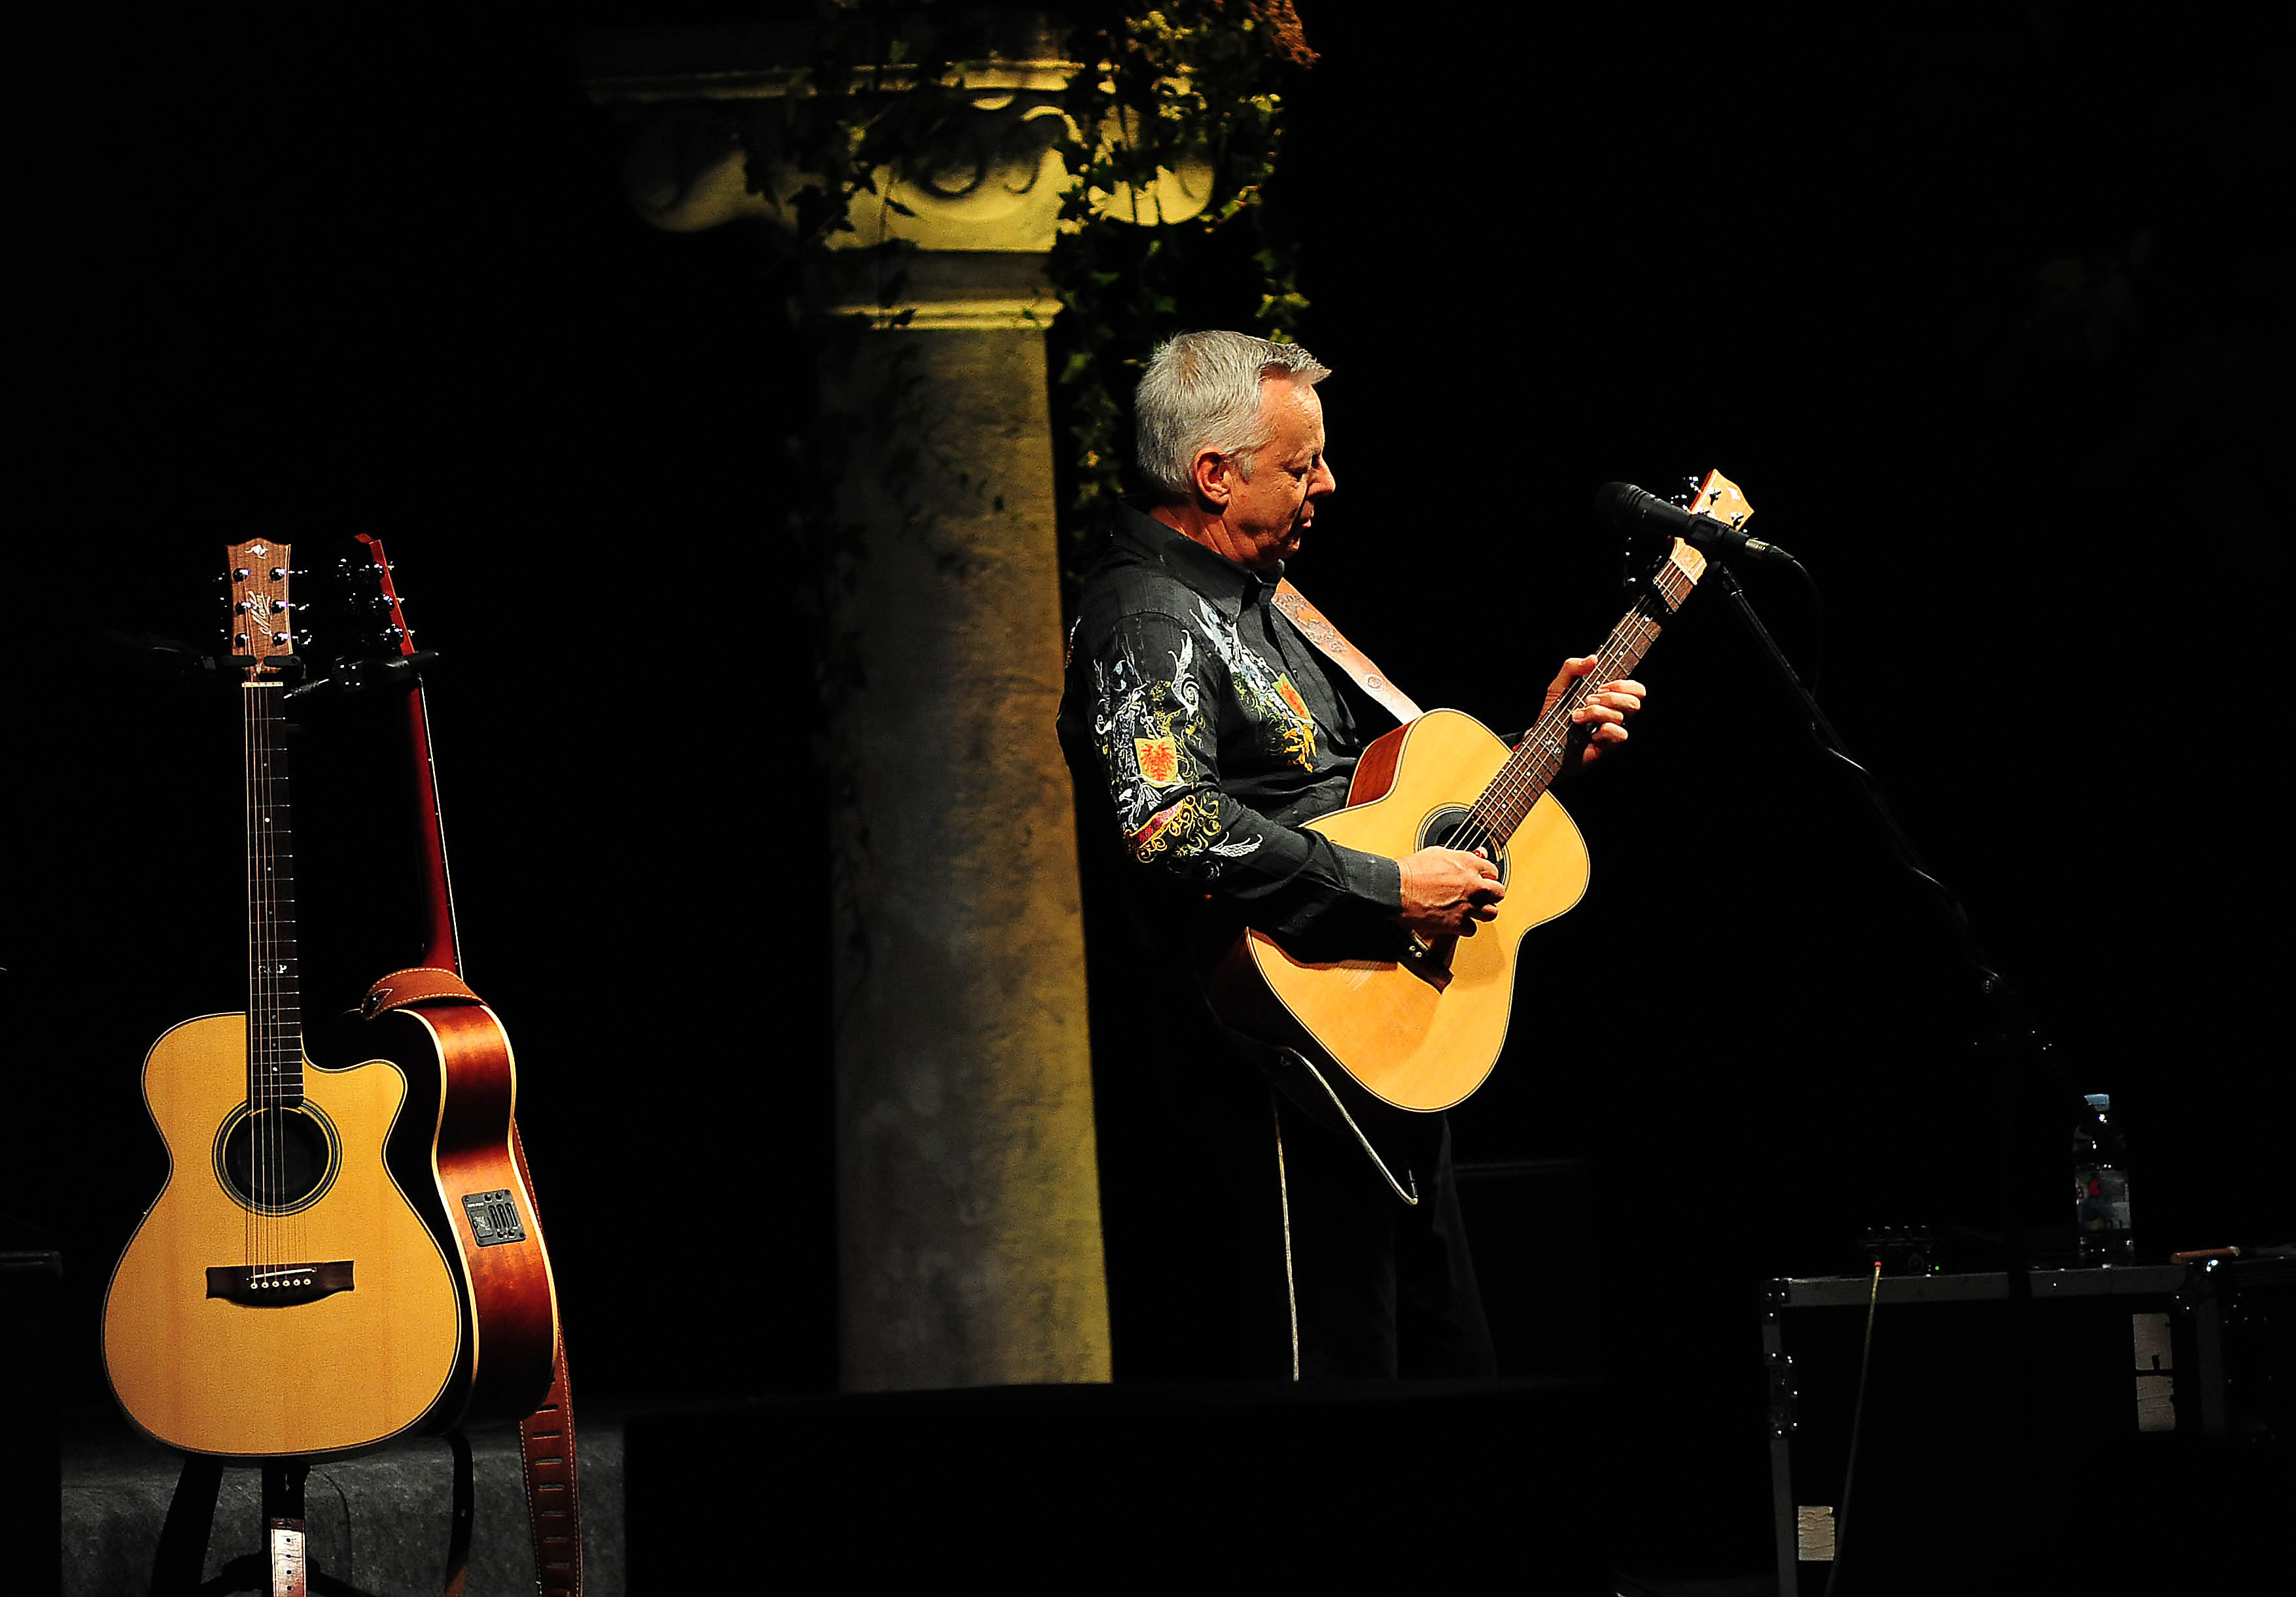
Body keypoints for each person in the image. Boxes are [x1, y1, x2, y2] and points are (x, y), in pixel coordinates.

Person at [1056, 330, 1644, 1379]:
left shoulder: (1269, 602)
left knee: (1445, 1372)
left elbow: (1354, 802)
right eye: (1299, 464)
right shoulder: (1146, 613)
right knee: (1328, 1398)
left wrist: (1536, 752)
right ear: (1212, 473)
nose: (1327, 481)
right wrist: (1389, 889)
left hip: (1364, 1051)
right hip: (1264, 1072)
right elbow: (1167, 821)